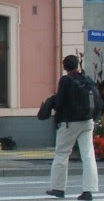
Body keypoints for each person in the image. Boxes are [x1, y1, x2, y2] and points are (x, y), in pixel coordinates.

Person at [46, 55, 99, 201]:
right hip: (88, 122)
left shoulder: (65, 80)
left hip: (69, 123)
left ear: (64, 67)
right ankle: (88, 191)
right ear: (78, 65)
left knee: (62, 153)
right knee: (88, 156)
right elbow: (98, 101)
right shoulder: (87, 80)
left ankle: (58, 188)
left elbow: (60, 102)